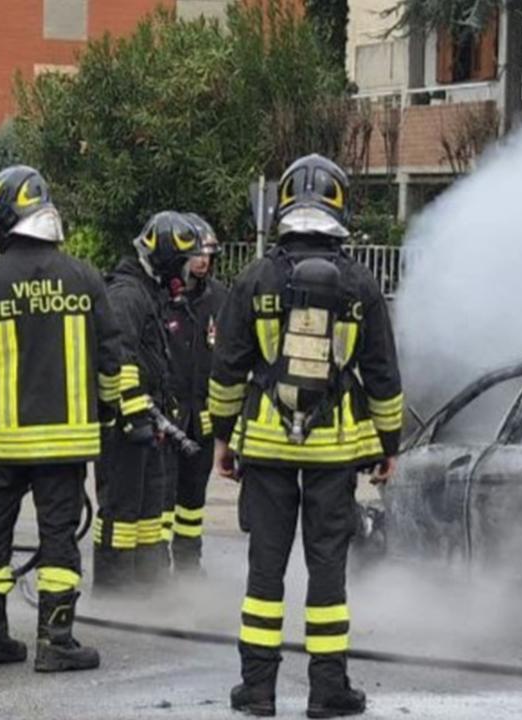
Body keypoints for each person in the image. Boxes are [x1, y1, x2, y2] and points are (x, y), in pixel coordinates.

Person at [211, 154, 403, 718]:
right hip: (336, 452)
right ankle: (327, 691)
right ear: (340, 204)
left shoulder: (254, 278)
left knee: (265, 568)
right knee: (328, 570)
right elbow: (384, 376)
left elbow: (227, 371)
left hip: (267, 448)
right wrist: (387, 446)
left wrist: (225, 439)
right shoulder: (360, 284)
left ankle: (258, 689)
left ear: (287, 204)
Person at [0, 165, 121, 672]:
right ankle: (56, 641)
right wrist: (114, 413)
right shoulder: (85, 278)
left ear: (10, 219)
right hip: (65, 447)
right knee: (59, 540)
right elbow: (111, 360)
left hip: (0, 445)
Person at [92, 211, 200, 589]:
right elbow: (116, 355)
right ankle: (114, 589)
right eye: (184, 264)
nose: (187, 274)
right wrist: (135, 414)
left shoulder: (147, 293)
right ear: (168, 261)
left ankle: (147, 588)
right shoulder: (126, 294)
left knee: (149, 511)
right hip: (125, 426)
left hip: (145, 424)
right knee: (121, 513)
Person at [162, 213, 228, 572]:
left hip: (201, 419)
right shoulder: (161, 296)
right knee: (162, 497)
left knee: (192, 500)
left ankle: (189, 563)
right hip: (166, 417)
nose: (203, 260)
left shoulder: (220, 299)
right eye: (195, 253)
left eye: (208, 253)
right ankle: (155, 565)